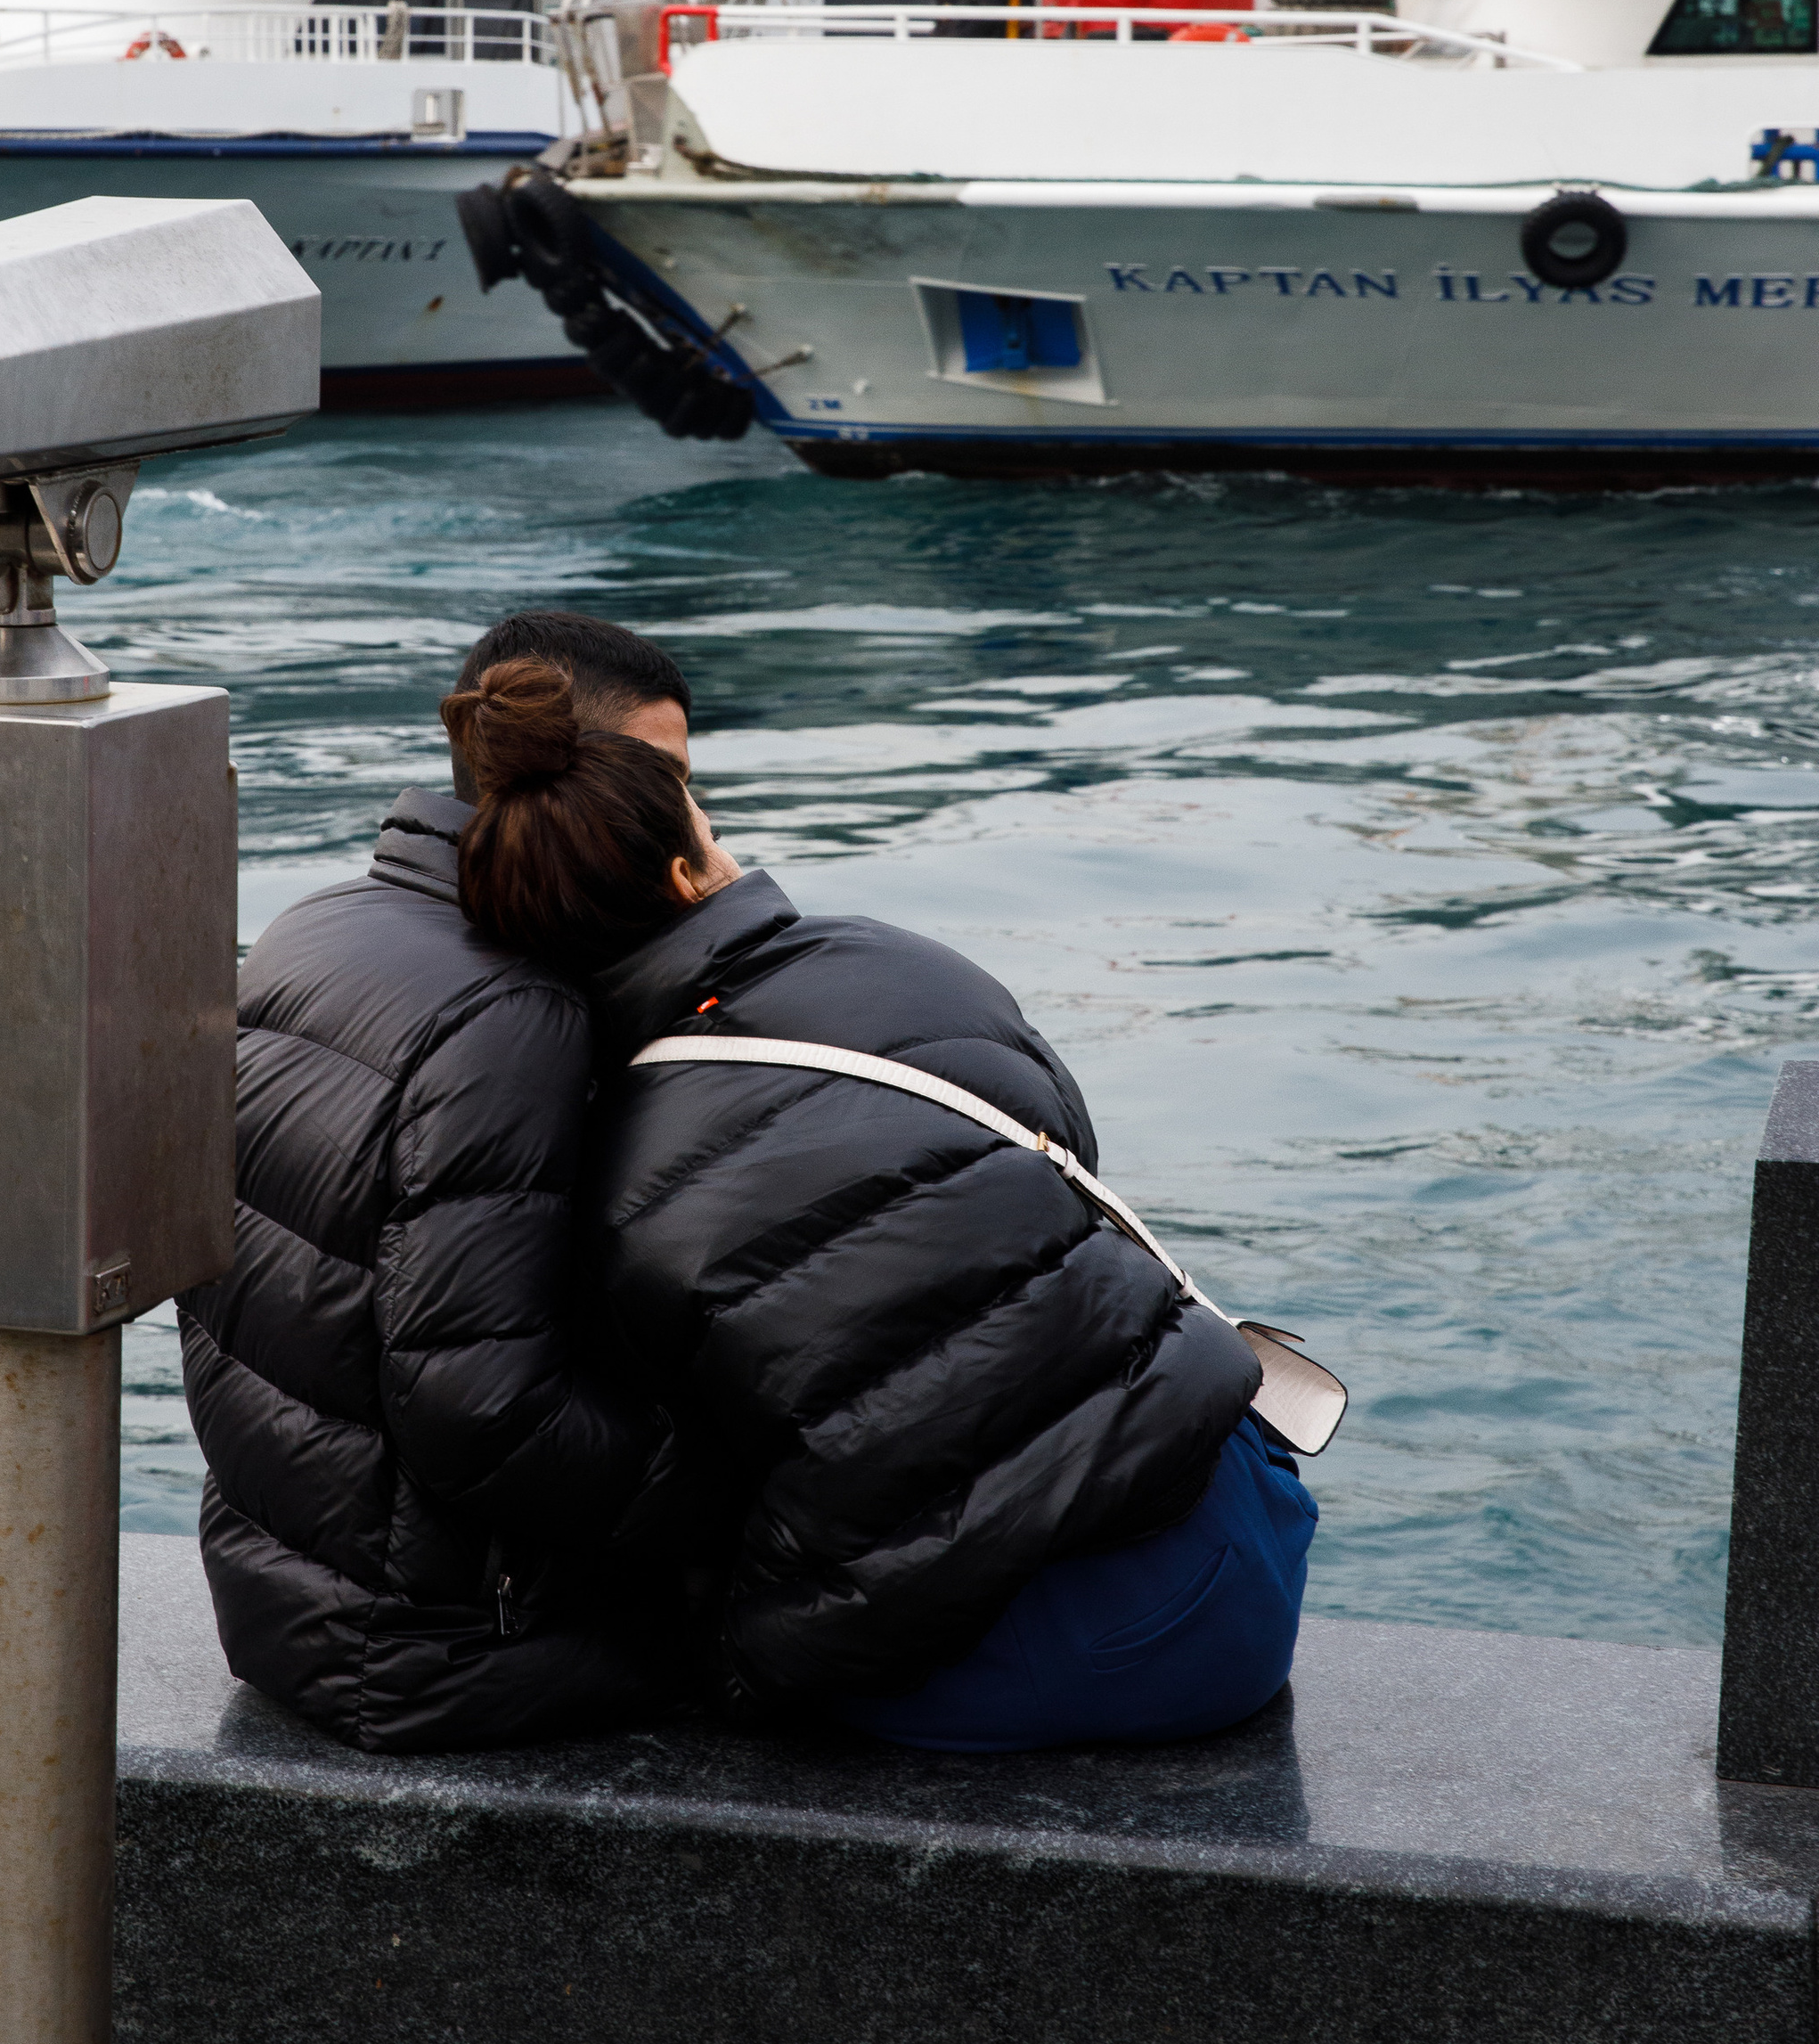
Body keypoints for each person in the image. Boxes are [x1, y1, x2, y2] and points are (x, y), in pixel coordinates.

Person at [441, 658, 1317, 1754]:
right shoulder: (894, 961)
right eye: (713, 831)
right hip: (1240, 1564)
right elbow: (1066, 1156)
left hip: (1000, 1672)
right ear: (683, 875)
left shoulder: (588, 1145)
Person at [179, 609, 697, 1751]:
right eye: (666, 779)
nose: (687, 816)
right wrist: (714, 1489)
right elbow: (482, 1413)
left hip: (286, 1601)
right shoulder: (515, 1008)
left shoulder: (320, 924)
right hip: (451, 1649)